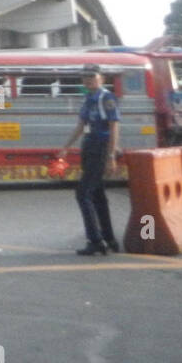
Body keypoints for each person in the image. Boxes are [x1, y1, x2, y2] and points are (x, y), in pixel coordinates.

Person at [59, 64, 120, 255]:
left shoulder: (106, 98)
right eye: (84, 77)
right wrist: (67, 147)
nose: (87, 80)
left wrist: (111, 157)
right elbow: (81, 125)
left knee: (83, 194)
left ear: (101, 78)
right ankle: (109, 239)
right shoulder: (89, 98)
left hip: (101, 148)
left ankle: (96, 240)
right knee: (97, 195)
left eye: (91, 76)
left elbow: (113, 127)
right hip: (89, 147)